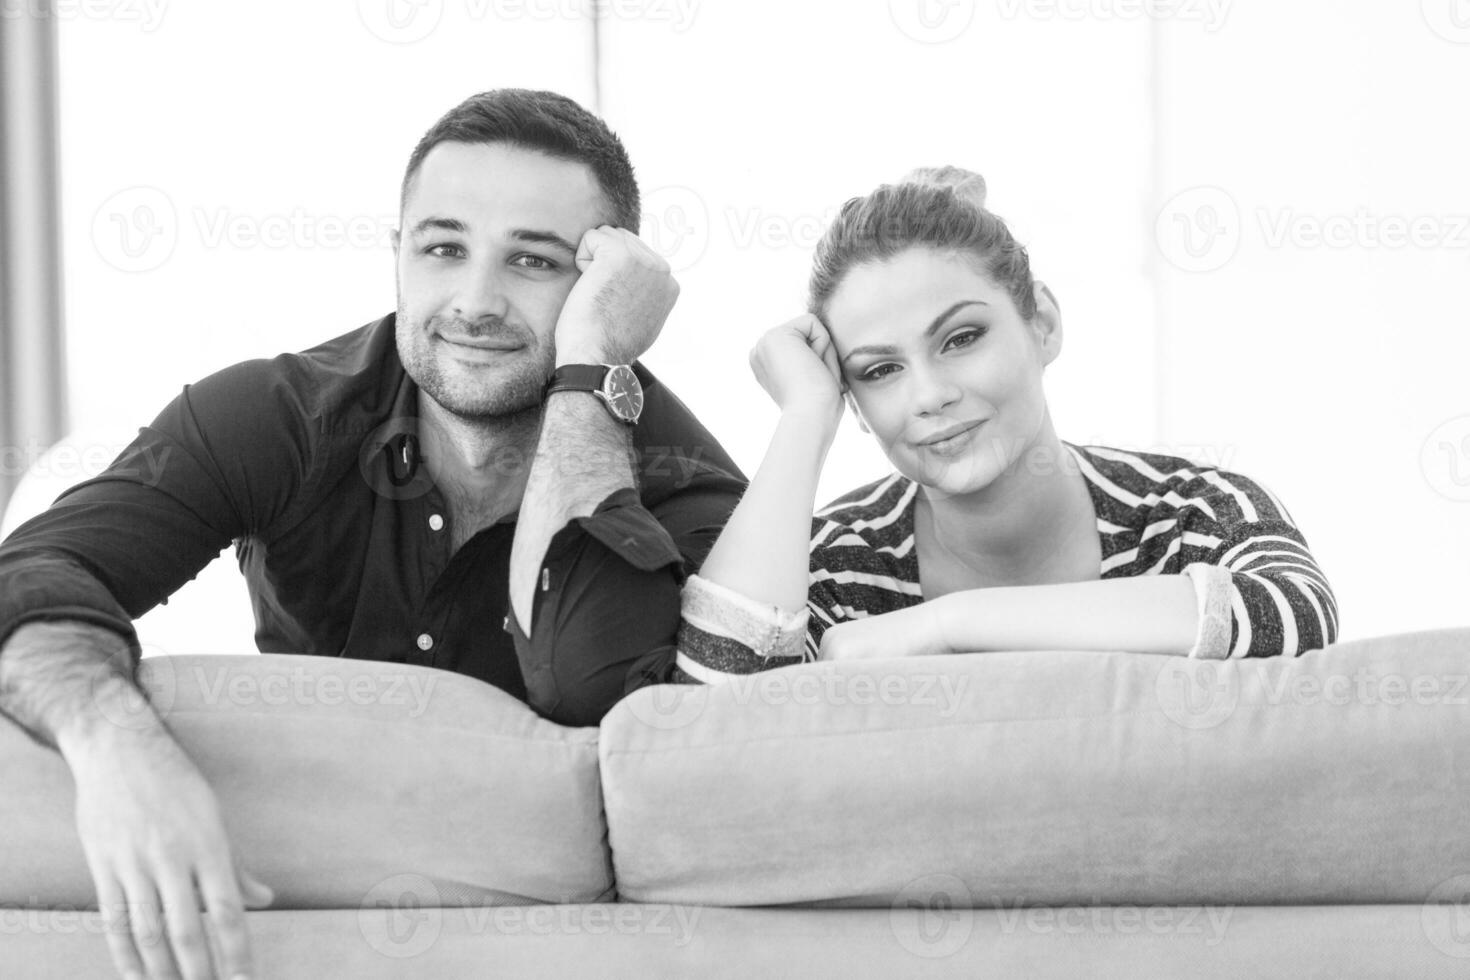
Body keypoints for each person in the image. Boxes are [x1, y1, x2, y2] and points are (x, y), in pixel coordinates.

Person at [0, 89, 743, 980]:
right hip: (296, 920)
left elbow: (604, 692)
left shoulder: (686, 486)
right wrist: (115, 743)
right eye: (442, 248)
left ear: (606, 289)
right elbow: (37, 568)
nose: (475, 301)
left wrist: (593, 373)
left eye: (534, 262)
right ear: (397, 255)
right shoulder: (273, 418)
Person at [675, 171, 1336, 682]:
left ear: (1041, 323)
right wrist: (804, 415)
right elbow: (715, 708)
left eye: (961, 338)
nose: (930, 395)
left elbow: (1292, 611)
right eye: (879, 372)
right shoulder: (844, 567)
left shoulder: (1192, 512)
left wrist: (946, 627)